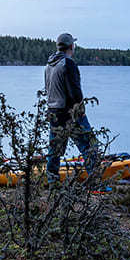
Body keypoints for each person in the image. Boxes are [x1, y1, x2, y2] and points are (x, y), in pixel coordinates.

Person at [44, 32, 99, 183]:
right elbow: (75, 94)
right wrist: (80, 112)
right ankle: (96, 183)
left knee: (54, 150)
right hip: (70, 113)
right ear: (71, 46)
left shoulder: (48, 66)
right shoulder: (68, 63)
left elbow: (47, 89)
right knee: (89, 146)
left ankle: (52, 182)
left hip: (53, 113)